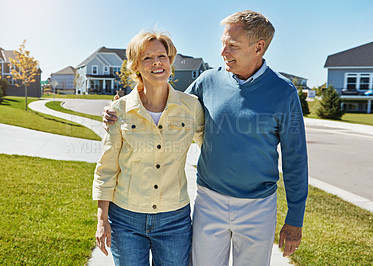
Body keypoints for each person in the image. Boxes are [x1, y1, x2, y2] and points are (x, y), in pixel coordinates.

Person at [103, 10, 308, 265]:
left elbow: (296, 160)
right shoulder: (207, 81)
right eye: (223, 43)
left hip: (258, 206)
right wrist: (122, 108)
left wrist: (295, 218)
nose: (223, 52)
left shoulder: (284, 92)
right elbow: (168, 106)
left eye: (232, 46)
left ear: (259, 46)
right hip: (210, 201)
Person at [93, 30, 204, 266]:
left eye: (162, 56)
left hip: (175, 219)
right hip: (126, 219)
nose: (156, 62)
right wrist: (102, 218)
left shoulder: (191, 107)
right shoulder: (119, 110)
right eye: (147, 58)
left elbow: (212, 148)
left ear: (170, 61)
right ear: (136, 67)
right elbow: (107, 168)